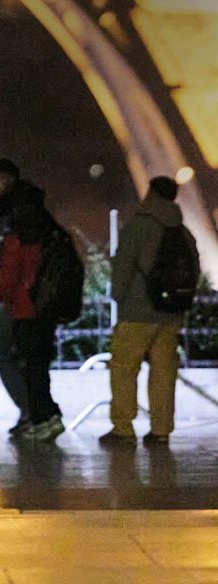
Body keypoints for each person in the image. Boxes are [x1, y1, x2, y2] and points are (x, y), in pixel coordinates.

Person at [100, 176, 201, 448]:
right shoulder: (182, 231)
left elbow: (123, 267)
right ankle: (161, 430)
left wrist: (119, 297)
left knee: (123, 368)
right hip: (169, 313)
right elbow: (194, 268)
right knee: (163, 372)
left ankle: (123, 427)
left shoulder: (139, 225)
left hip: (136, 312)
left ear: (151, 193)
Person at [0, 180, 64, 443]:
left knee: (29, 367)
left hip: (24, 309)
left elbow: (9, 276)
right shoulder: (50, 231)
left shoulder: (20, 234)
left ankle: (44, 419)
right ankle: (46, 417)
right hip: (46, 309)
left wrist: (4, 296)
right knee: (38, 367)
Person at [0, 158, 31, 434]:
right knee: (22, 355)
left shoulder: (16, 212)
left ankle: (33, 411)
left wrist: (6, 293)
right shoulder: (16, 209)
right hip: (19, 296)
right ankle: (34, 413)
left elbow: (15, 259)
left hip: (18, 297)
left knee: (1, 348)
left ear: (7, 181)